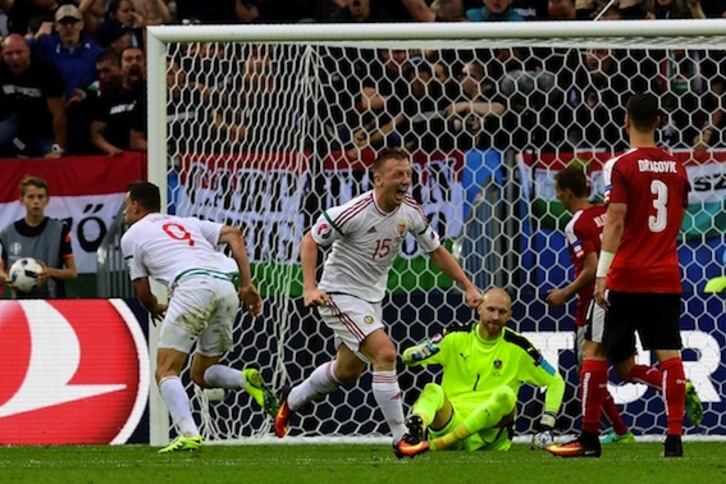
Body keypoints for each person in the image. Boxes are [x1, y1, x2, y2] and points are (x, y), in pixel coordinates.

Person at [273, 148, 483, 459]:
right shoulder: (353, 211)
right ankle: (401, 438)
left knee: (346, 371)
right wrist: (309, 287)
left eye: (409, 174)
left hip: (373, 298)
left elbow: (437, 251)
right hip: (339, 294)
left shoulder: (410, 211)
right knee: (385, 354)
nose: (406, 181)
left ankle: (289, 401)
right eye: (398, 174)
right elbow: (310, 240)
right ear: (378, 179)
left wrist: (467, 286)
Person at [548, 92, 702, 459]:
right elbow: (678, 217)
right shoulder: (678, 166)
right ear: (660, 122)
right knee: (669, 356)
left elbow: (614, 221)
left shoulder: (620, 165)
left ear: (626, 120)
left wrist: (602, 275)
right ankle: (674, 441)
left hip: (624, 276)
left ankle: (588, 440)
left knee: (594, 350)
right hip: (665, 275)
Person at [120, 181, 276, 453]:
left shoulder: (133, 235)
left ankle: (189, 433)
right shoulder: (186, 222)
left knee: (166, 371)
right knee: (200, 374)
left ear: (135, 205)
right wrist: (247, 285)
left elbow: (143, 292)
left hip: (192, 287)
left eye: (126, 205)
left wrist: (155, 307)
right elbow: (234, 234)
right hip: (225, 288)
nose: (124, 212)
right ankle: (244, 379)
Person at [402, 287, 565, 452]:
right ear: (479, 308)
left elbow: (555, 381)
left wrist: (546, 425)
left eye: (502, 312)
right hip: (450, 421)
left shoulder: (520, 348)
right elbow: (408, 359)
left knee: (506, 395)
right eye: (490, 309)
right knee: (432, 390)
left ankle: (439, 444)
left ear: (510, 315)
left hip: (488, 436)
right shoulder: (455, 336)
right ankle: (417, 428)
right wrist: (412, 354)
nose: (495, 317)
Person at [548, 165, 637, 444]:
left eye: (559, 192)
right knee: (626, 368)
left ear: (569, 191)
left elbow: (591, 267)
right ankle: (673, 385)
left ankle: (609, 433)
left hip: (591, 304)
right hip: (622, 296)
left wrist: (565, 292)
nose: (558, 198)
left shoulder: (576, 224)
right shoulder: (605, 213)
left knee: (587, 368)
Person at [0, 176, 77, 298]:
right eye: (30, 197)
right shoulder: (8, 233)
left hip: (53, 303)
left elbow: (72, 272)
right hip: (20, 305)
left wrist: (50, 272)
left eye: (40, 197)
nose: (36, 201)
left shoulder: (60, 230)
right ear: (21, 200)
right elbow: (1, 270)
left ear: (47, 200)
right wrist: (7, 277)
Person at [0, 33, 67, 158]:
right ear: (1, 55)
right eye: (9, 54)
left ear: (28, 51)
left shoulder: (47, 71)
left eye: (19, 52)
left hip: (45, 126)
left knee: (52, 156)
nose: (15, 58)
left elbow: (59, 114)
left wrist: (58, 147)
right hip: (16, 122)